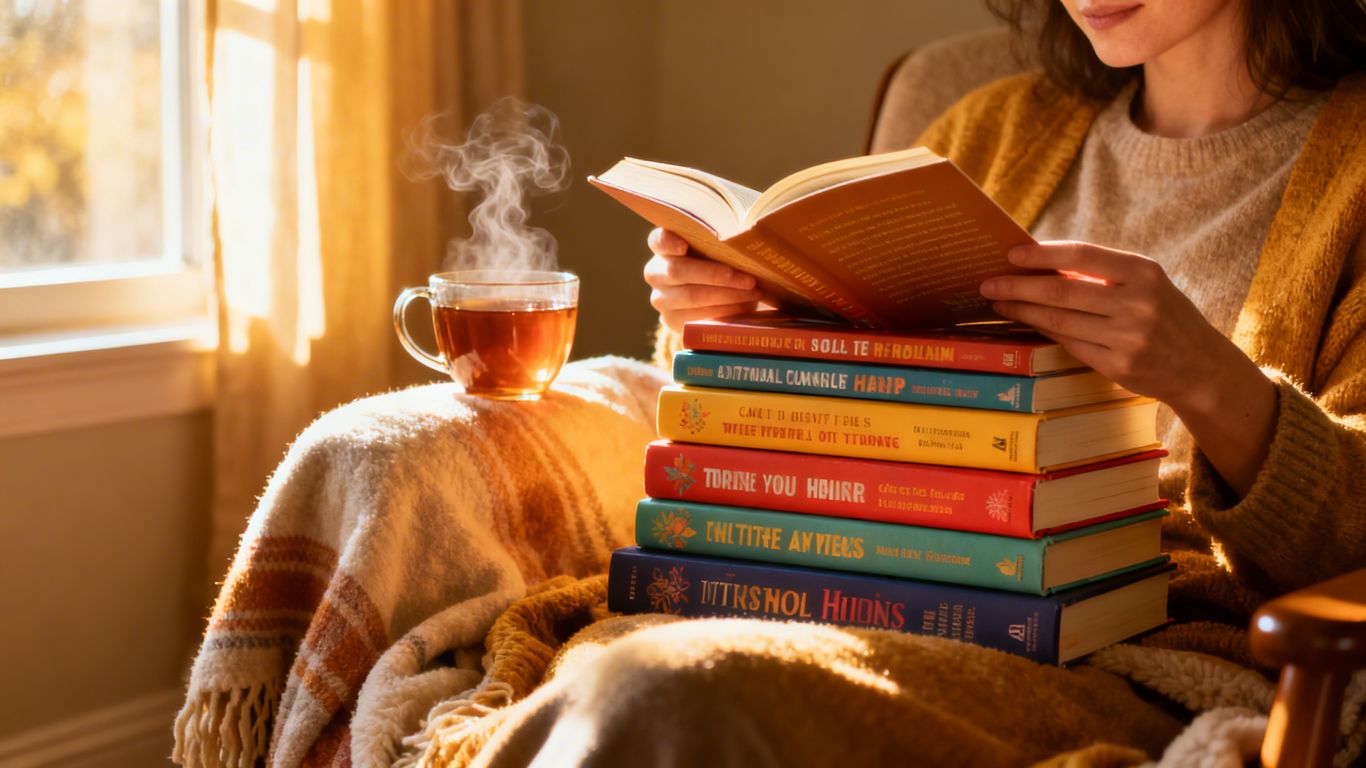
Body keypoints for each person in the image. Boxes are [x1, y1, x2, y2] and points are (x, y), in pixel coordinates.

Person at [465, 1, 1366, 764]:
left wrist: (1208, 378)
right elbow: (856, 425)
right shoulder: (992, 126)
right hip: (878, 573)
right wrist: (733, 321)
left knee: (653, 690)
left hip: (1126, 645)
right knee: (627, 682)